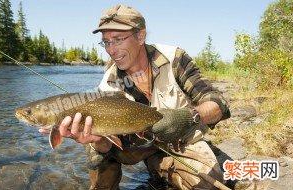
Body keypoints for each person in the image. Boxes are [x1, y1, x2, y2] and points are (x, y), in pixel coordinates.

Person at [40, 4, 230, 190]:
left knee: (208, 184)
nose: (111, 50)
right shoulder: (108, 83)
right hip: (134, 146)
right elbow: (109, 145)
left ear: (140, 36)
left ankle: (160, 165)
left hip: (180, 141)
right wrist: (97, 140)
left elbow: (218, 103)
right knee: (94, 146)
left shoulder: (174, 59)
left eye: (118, 39)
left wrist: (190, 116)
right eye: (106, 42)